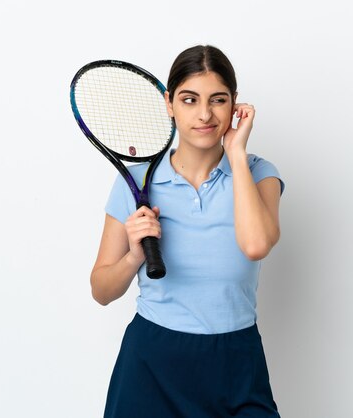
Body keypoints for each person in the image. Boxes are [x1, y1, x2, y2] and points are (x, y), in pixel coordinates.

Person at [91, 45, 284, 417]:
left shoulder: (259, 174)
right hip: (151, 364)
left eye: (218, 100)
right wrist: (134, 255)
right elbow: (101, 290)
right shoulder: (137, 181)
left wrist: (237, 154)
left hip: (235, 361)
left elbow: (256, 245)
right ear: (169, 103)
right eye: (190, 99)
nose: (205, 114)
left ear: (235, 106)